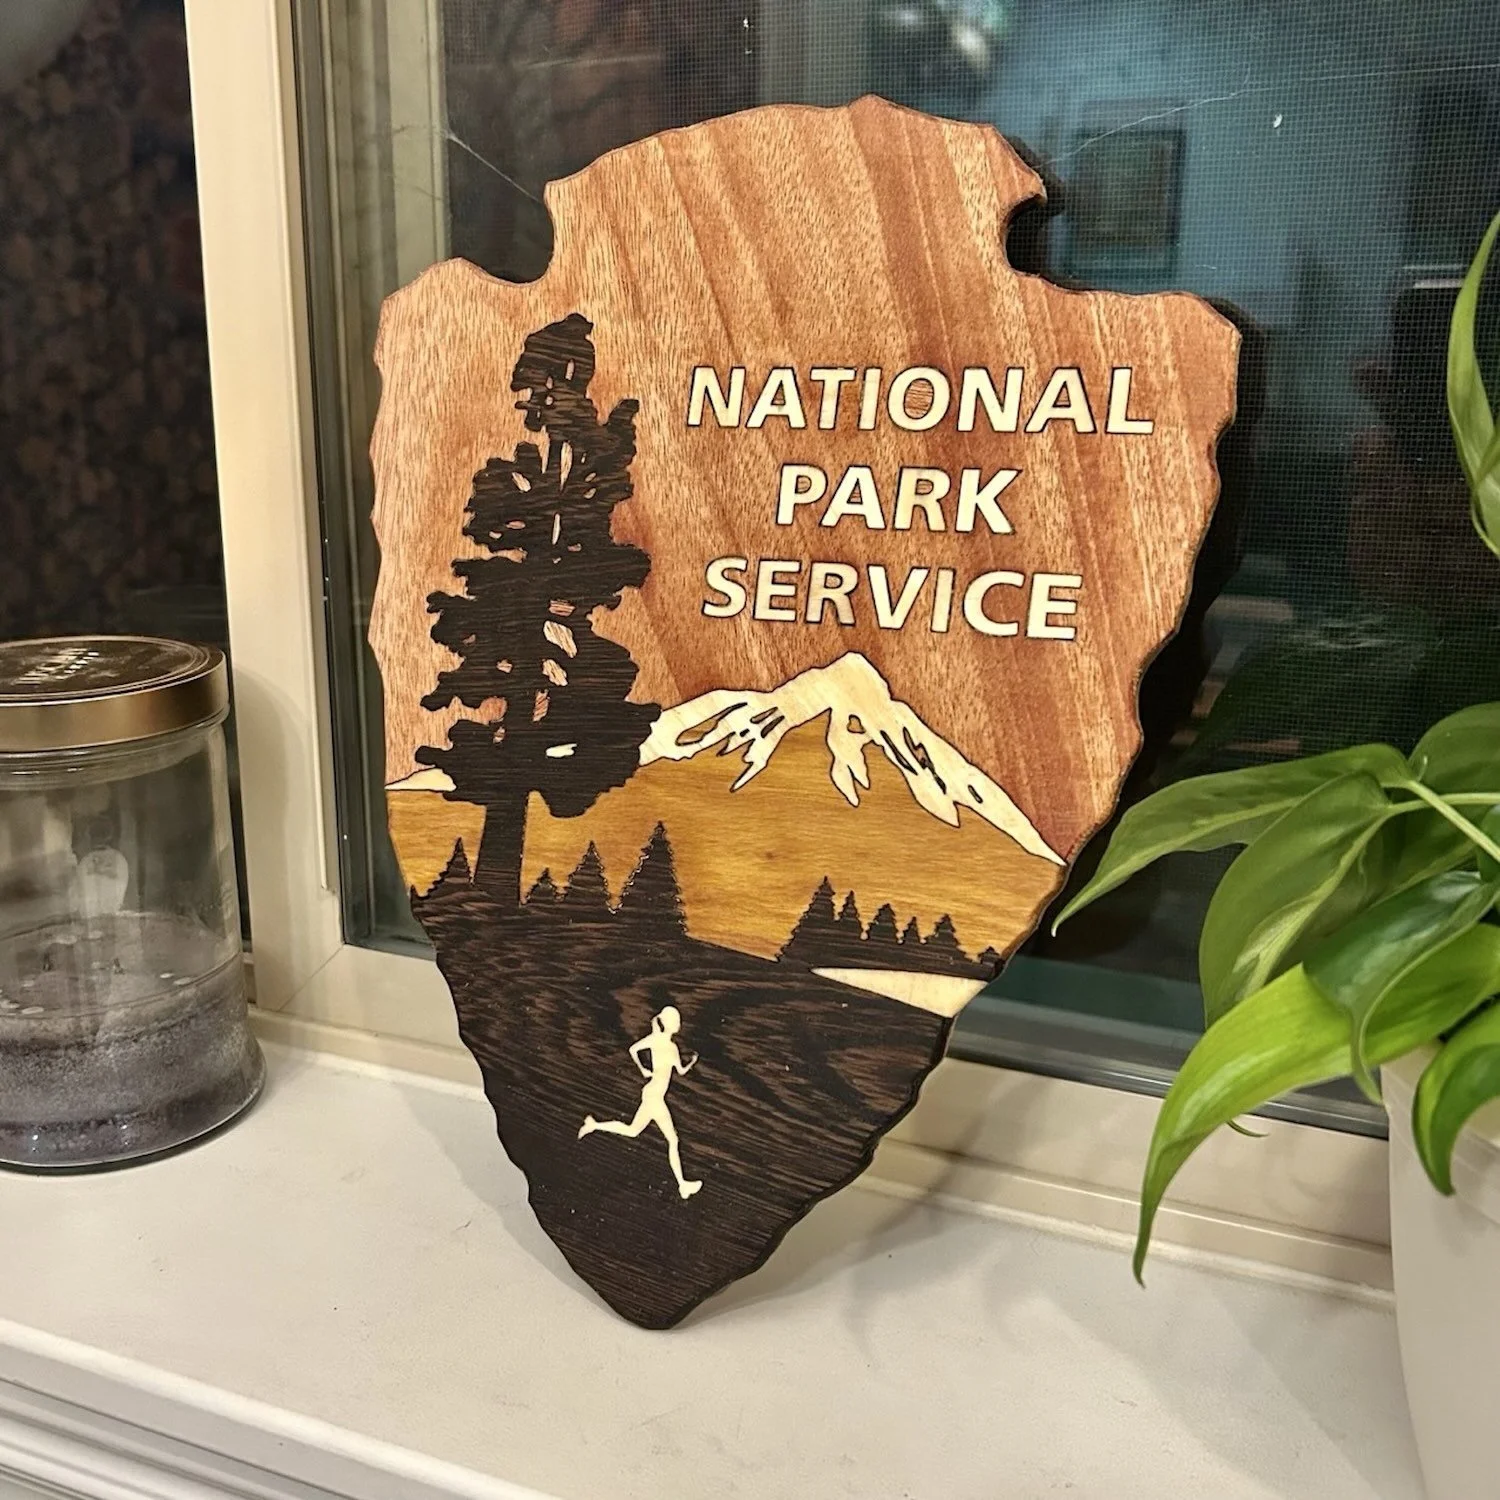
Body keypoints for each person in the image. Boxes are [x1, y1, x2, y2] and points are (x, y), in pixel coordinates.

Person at [579, 1004, 702, 1199]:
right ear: (670, 1023)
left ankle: (594, 1125)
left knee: (633, 1130)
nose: (678, 1024)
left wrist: (691, 1062)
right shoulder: (657, 1041)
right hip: (654, 1096)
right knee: (672, 1139)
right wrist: (643, 1069)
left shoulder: (671, 1047)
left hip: (654, 1095)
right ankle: (682, 1185)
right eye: (676, 1021)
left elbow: (679, 1070)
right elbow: (633, 1049)